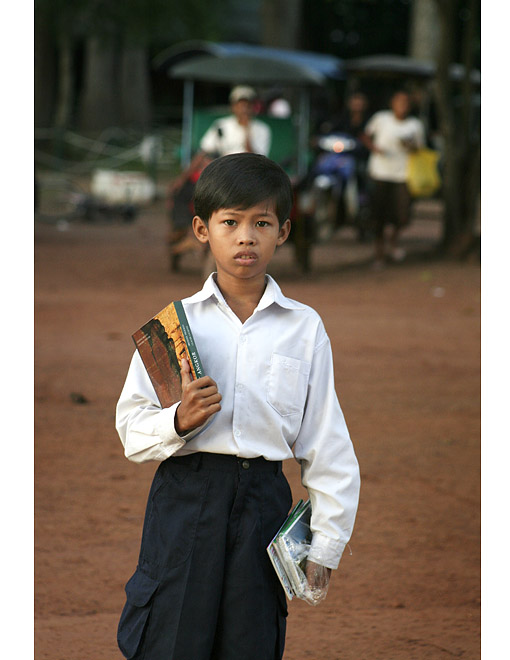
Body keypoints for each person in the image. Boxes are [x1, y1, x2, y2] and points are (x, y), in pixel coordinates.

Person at [116, 153, 360, 659]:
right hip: (186, 501)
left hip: (264, 509)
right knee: (171, 637)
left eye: (261, 223)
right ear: (203, 230)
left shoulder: (304, 327)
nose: (246, 237)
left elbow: (325, 440)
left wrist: (327, 543)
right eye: (230, 223)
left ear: (284, 231)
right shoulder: (174, 326)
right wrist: (178, 420)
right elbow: (130, 430)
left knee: (251, 641)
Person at [169, 85, 271, 273]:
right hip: (220, 173)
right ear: (233, 106)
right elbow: (203, 153)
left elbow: (256, 159)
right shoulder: (221, 125)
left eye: (247, 105)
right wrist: (182, 178)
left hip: (247, 175)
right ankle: (183, 230)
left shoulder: (261, 129)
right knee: (186, 190)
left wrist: (247, 131)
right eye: (240, 105)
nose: (243, 109)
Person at [362, 90, 426, 267]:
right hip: (380, 173)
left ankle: (393, 242)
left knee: (402, 214)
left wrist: (410, 145)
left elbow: (419, 148)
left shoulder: (415, 125)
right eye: (399, 102)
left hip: (403, 174)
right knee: (378, 214)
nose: (402, 106)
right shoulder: (381, 119)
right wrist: (375, 148)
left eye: (405, 102)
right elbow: (365, 135)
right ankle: (379, 253)